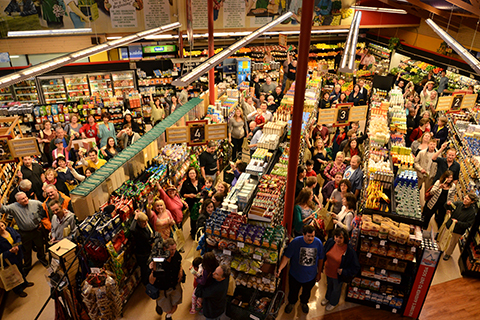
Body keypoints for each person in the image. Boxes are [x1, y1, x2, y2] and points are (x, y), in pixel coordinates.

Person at [276, 225, 324, 315]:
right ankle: (292, 303)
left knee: (307, 292)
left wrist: (319, 273)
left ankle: (304, 303)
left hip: (311, 275)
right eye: (308, 236)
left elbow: (321, 258)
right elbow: (286, 257)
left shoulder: (318, 243)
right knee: (293, 291)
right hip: (295, 275)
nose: (310, 238)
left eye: (312, 236)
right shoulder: (295, 242)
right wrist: (279, 269)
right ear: (303, 234)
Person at [0, 192, 48, 273]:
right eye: (23, 199)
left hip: (36, 230)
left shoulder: (35, 203)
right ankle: (27, 265)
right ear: (18, 201)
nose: (26, 199)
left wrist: (41, 220)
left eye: (26, 197)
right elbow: (3, 209)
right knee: (26, 250)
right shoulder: (13, 207)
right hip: (24, 233)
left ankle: (42, 258)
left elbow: (44, 207)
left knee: (40, 246)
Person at [321, 227, 360, 311]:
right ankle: (327, 297)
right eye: (336, 236)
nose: (337, 239)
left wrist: (344, 271)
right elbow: (324, 253)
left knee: (336, 289)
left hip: (338, 275)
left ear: (345, 238)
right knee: (329, 285)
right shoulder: (331, 242)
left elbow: (356, 267)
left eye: (340, 237)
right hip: (328, 271)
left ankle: (333, 302)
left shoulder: (349, 250)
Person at [149, 238, 184, 319]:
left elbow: (179, 263)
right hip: (163, 290)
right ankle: (164, 310)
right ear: (165, 249)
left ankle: (168, 317)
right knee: (168, 309)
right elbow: (151, 281)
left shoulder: (176, 255)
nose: (173, 252)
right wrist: (153, 269)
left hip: (175, 286)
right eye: (171, 250)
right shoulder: (158, 260)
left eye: (174, 249)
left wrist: (180, 272)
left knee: (175, 306)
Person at [0, 220, 34, 297]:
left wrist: (17, 246)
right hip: (9, 260)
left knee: (21, 269)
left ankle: (25, 283)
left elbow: (18, 237)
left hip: (17, 254)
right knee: (14, 274)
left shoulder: (10, 230)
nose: (2, 228)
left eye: (2, 226)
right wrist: (10, 251)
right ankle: (18, 290)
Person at [442, 193, 478, 261]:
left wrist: (458, 222)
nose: (465, 200)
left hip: (458, 231)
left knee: (452, 243)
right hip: (449, 225)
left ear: (472, 202)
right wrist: (448, 204)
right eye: (465, 198)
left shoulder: (472, 213)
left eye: (468, 199)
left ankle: (448, 254)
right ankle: (441, 248)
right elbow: (448, 207)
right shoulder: (459, 204)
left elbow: (468, 224)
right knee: (444, 237)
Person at [130, 210, 154, 285]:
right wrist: (136, 217)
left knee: (150, 268)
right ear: (138, 222)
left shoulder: (147, 226)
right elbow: (131, 229)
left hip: (149, 251)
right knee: (145, 270)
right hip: (142, 254)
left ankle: (150, 280)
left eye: (146, 221)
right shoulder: (137, 231)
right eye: (143, 222)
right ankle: (147, 284)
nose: (145, 223)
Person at [180, 167, 204, 238]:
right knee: (193, 217)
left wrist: (202, 193)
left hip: (201, 202)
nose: (192, 175)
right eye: (190, 173)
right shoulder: (186, 183)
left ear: (196, 174)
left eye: (193, 173)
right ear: (188, 174)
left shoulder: (201, 180)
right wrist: (189, 195)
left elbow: (206, 188)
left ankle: (200, 230)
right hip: (192, 203)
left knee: (201, 216)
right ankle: (193, 232)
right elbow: (182, 193)